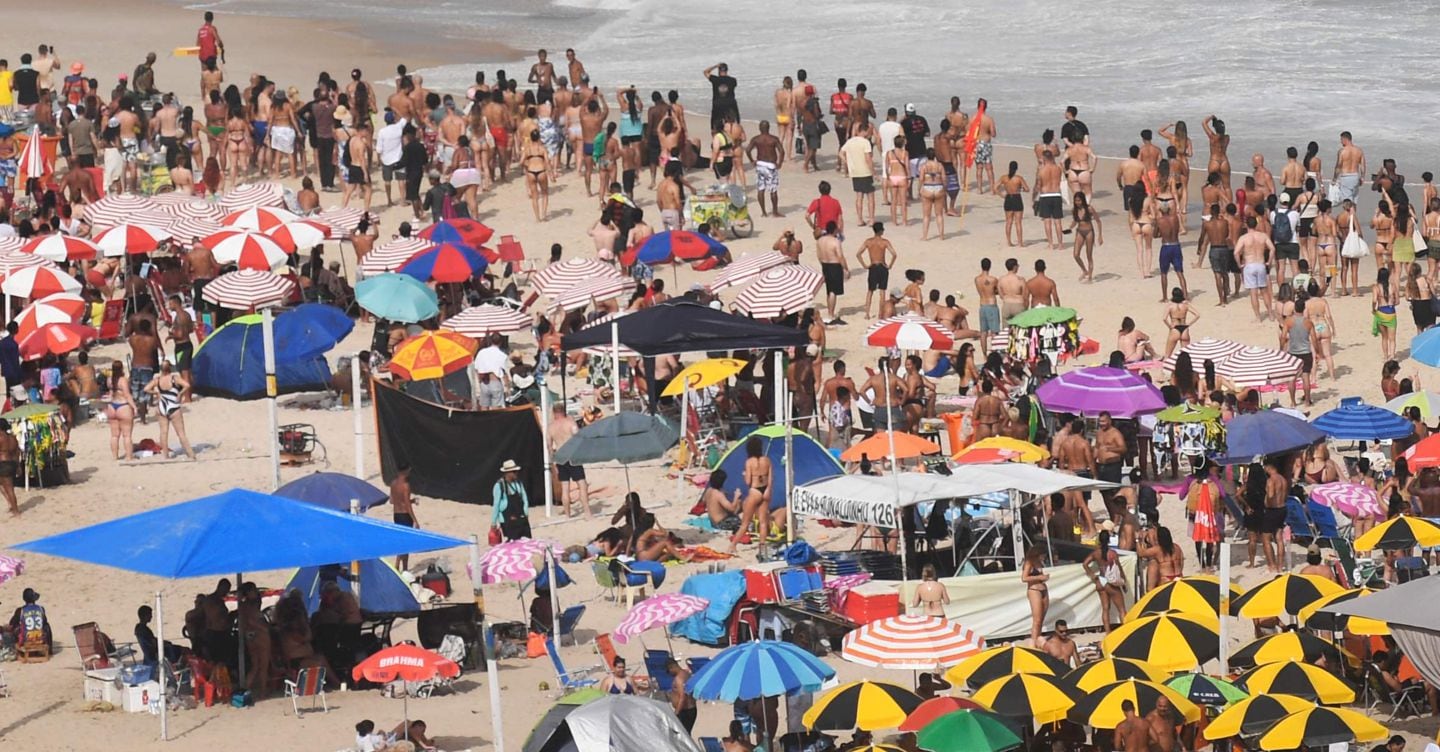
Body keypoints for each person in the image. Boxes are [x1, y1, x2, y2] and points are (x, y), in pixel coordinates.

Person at [144, 360, 197, 461]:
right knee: (181, 433)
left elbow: (146, 388)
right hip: (173, 407)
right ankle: (190, 454)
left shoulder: (157, 380)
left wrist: (156, 393)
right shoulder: (174, 378)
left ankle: (166, 455)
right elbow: (187, 385)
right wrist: (180, 393)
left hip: (162, 407)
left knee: (163, 433)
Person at [550, 405, 590, 519]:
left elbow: (549, 447)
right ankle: (587, 512)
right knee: (582, 485)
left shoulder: (550, 427)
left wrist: (554, 462)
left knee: (565, 487)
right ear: (564, 412)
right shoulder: (570, 423)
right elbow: (578, 437)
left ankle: (568, 515)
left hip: (560, 456)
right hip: (572, 455)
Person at [1083, 531, 1126, 632]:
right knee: (1122, 609)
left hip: (1101, 580)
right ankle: (1125, 631)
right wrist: (1123, 582)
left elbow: (1085, 564)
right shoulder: (1112, 553)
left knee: (1105, 609)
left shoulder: (1095, 553)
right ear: (1109, 540)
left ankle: (1108, 633)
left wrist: (1093, 576)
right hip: (1111, 581)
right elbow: (1119, 569)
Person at [855, 222, 897, 319]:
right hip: (882, 267)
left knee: (870, 291)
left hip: (873, 266)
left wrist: (865, 265)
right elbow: (894, 254)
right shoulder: (885, 242)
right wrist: (890, 265)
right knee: (882, 291)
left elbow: (858, 254)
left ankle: (867, 313)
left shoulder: (868, 241)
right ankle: (880, 314)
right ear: (881, 231)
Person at [104, 362, 137, 461]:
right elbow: (127, 395)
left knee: (114, 435)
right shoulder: (123, 380)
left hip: (112, 406)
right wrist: (134, 407)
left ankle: (115, 456)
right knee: (127, 435)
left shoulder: (110, 380)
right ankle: (128, 456)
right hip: (123, 406)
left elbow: (110, 393)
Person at [492, 459, 532, 541]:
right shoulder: (499, 485)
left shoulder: (519, 484)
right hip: (507, 519)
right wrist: (493, 522)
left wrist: (526, 513)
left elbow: (525, 499)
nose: (516, 473)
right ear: (507, 473)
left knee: (526, 541)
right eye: (513, 471)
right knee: (512, 542)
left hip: (521, 517)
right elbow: (496, 505)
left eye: (516, 471)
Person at [1021, 546, 1049, 647]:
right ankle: (1033, 642)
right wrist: (1039, 577)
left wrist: (1043, 578)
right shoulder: (1029, 562)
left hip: (1043, 588)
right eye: (1043, 555)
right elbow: (1024, 578)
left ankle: (1037, 638)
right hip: (1034, 590)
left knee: (1041, 618)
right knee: (1036, 619)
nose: (1044, 557)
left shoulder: (1039, 562)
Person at [389, 465, 417, 570]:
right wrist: (415, 520)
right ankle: (403, 567)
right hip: (405, 515)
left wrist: (412, 501)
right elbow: (406, 504)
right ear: (405, 472)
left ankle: (398, 566)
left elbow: (392, 501)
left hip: (396, 515)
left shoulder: (393, 483)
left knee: (401, 540)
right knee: (406, 542)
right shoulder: (406, 485)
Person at [667, 659, 697, 731]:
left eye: (668, 671)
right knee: (686, 733)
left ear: (672, 668)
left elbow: (682, 697)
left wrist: (677, 712)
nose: (669, 674)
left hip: (685, 711)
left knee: (682, 734)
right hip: (691, 709)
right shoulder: (686, 673)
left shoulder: (679, 679)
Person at [0, 419, 19, 515]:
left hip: (4, 464)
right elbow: (17, 452)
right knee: (5, 486)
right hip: (12, 463)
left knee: (9, 488)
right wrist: (18, 467)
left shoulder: (1, 437)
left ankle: (16, 511)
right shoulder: (13, 438)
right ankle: (11, 504)